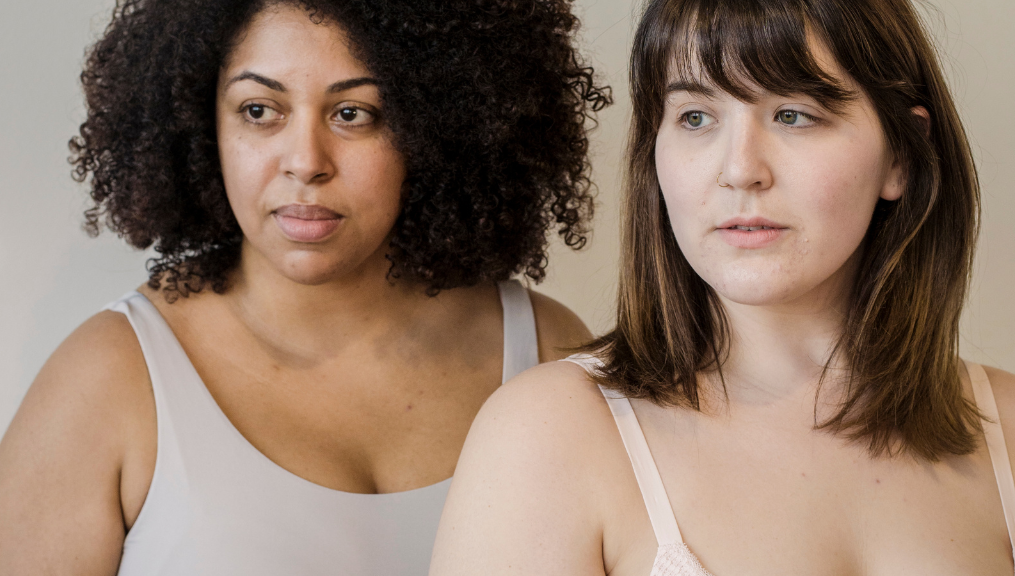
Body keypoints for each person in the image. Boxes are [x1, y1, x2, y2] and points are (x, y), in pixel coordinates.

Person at [0, 0, 611, 574]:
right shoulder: (109, 378)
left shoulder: (546, 351)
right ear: (203, 124)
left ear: (436, 128)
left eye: (353, 114)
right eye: (259, 111)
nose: (305, 160)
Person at [430, 0, 1015, 574]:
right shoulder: (547, 434)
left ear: (901, 159)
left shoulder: (1007, 430)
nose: (740, 169)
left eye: (793, 113)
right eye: (696, 117)